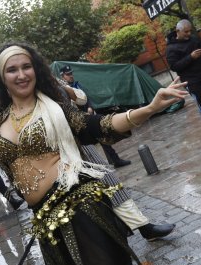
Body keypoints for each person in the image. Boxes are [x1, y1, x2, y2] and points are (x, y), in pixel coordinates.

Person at [0, 11, 187, 265]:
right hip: (45, 221)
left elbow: (100, 125)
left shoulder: (56, 108)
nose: (21, 74)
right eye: (12, 70)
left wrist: (148, 109)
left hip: (82, 209)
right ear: (1, 77)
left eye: (26, 67)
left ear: (35, 70)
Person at [58, 82, 176, 241]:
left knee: (111, 184)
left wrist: (65, 89)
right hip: (60, 159)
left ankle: (143, 227)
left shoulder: (52, 81)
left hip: (84, 144)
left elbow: (82, 99)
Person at [60, 65, 131, 168]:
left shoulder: (76, 85)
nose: (71, 76)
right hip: (79, 122)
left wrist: (90, 107)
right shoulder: (64, 89)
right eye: (68, 74)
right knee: (89, 149)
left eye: (71, 73)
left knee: (103, 137)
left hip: (90, 115)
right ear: (62, 76)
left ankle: (114, 160)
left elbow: (87, 97)